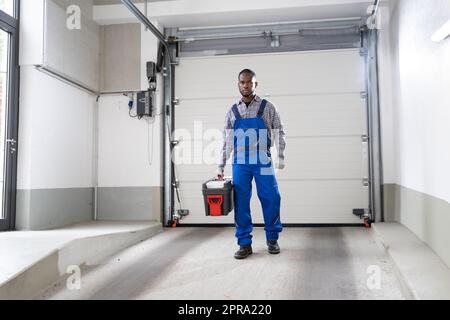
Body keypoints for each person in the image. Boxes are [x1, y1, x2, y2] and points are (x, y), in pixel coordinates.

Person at [217, 69, 286, 259]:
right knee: (241, 203)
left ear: (256, 84)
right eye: (242, 82)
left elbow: (279, 132)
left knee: (272, 198)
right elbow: (227, 142)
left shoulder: (268, 107)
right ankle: (244, 244)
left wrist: (280, 155)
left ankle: (272, 239)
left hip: (263, 161)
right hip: (240, 163)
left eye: (250, 82)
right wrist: (220, 166)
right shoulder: (232, 112)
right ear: (238, 84)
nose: (246, 85)